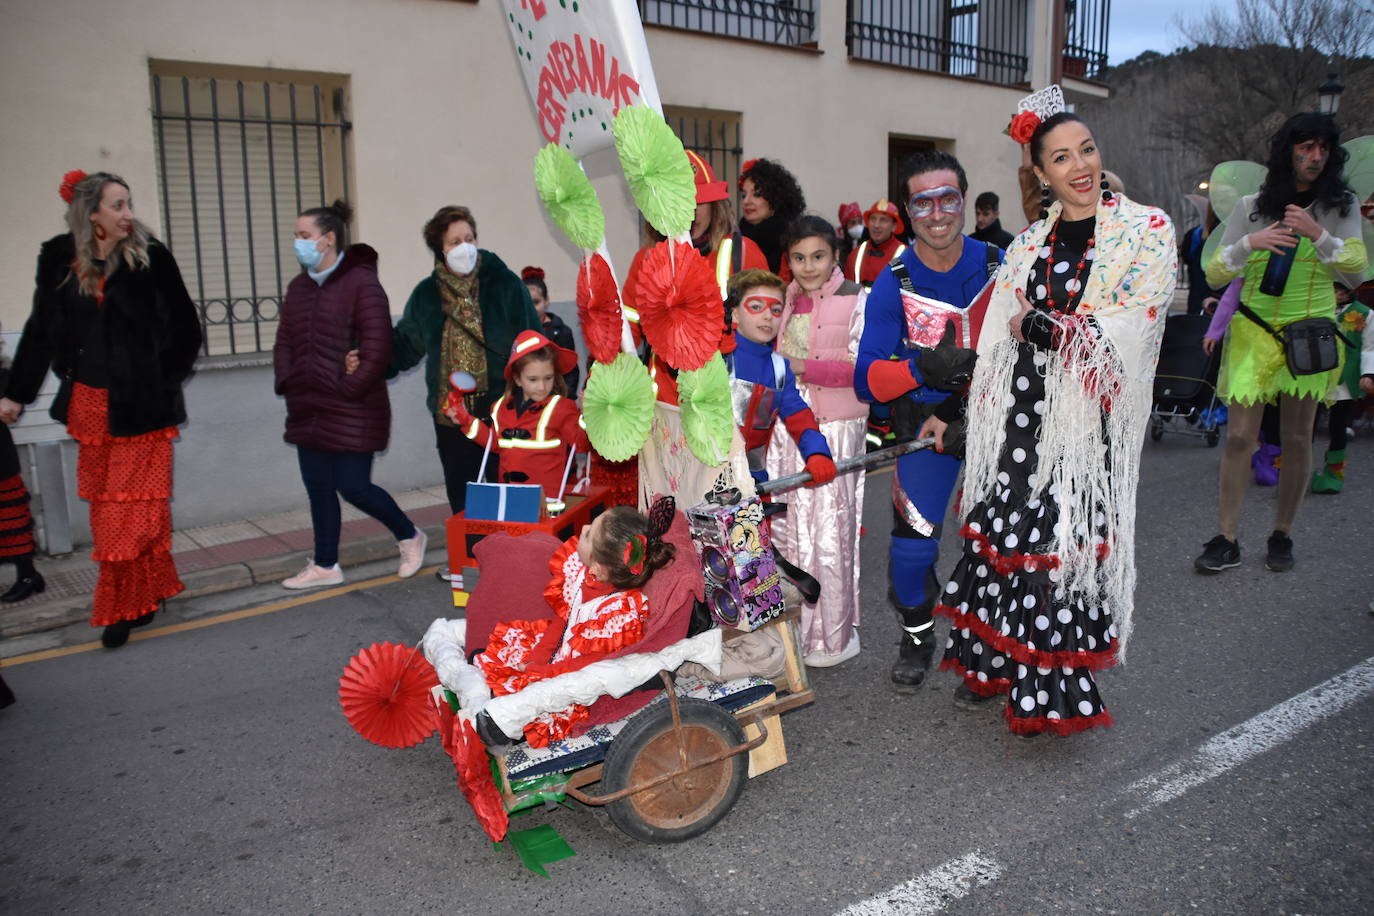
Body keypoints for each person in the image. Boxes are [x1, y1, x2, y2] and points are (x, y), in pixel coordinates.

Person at [929, 108, 1177, 736]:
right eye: (1061, 157)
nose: (1080, 166)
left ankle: (1049, 684)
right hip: (1019, 415)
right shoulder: (1029, 242)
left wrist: (1044, 327)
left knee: (1057, 547)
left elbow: (1138, 319)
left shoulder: (1146, 230)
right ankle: (995, 661)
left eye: (1086, 149)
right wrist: (958, 411)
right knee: (1010, 539)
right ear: (1040, 173)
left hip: (1085, 427)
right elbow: (995, 335)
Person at [1, 170, 201, 648]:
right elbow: (41, 329)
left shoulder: (151, 256)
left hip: (144, 409)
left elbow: (186, 329)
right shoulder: (58, 258)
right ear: (92, 213)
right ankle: (148, 594)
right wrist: (16, 393)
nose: (129, 214)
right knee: (119, 513)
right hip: (90, 406)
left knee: (128, 517)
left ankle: (123, 609)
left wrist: (160, 378)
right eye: (118, 205)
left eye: (129, 204)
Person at [854, 149, 1000, 692]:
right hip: (924, 436)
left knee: (997, 549)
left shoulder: (999, 264)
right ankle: (917, 633)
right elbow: (866, 378)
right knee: (911, 554)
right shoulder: (893, 279)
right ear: (908, 212)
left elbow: (1029, 358)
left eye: (948, 198)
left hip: (994, 423)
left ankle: (986, 649)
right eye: (923, 202)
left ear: (964, 200)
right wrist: (920, 367)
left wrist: (958, 405)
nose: (937, 212)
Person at [1197, 112, 1367, 573]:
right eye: (1305, 147)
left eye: (1322, 149)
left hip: (1307, 333)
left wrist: (1319, 236)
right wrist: (1248, 243)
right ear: (1287, 150)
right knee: (1237, 438)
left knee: (1296, 438)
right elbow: (1214, 272)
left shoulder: (1340, 206)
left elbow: (1356, 270)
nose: (1314, 157)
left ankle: (1282, 533)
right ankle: (1226, 537)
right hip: (1253, 331)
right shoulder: (1253, 206)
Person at [275, 200, 427, 590]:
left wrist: (347, 389)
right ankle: (326, 564)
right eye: (296, 236)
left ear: (327, 240)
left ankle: (410, 535)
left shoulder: (362, 284)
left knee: (353, 485)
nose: (297, 243)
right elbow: (285, 342)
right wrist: (287, 381)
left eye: (303, 236)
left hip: (353, 407)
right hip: (308, 406)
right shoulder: (299, 288)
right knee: (318, 488)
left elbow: (377, 349)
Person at [471, 498, 678, 748]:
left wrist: (544, 673)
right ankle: (500, 691)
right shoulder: (582, 575)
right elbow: (561, 622)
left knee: (536, 706)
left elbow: (588, 667)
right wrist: (536, 661)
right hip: (556, 658)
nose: (582, 529)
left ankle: (508, 718)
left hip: (573, 682)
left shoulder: (617, 612)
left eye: (589, 535)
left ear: (600, 570)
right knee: (504, 656)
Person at [388, 205, 540, 519]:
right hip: (453, 417)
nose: (465, 247)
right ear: (439, 250)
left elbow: (533, 342)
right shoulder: (427, 295)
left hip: (504, 411)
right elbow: (403, 348)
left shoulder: (504, 284)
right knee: (464, 496)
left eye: (469, 238)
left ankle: (513, 559)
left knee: (509, 492)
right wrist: (367, 355)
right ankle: (468, 560)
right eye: (455, 242)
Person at [766, 217, 868, 666]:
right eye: (799, 258)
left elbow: (863, 368)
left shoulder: (857, 298)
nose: (808, 267)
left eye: (818, 256)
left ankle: (831, 635)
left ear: (836, 256)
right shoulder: (784, 299)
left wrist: (803, 367)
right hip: (787, 425)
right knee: (786, 528)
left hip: (835, 426)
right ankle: (792, 633)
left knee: (830, 532)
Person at [444, 329, 587, 499]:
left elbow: (581, 444)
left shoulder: (561, 407)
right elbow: (495, 443)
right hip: (510, 497)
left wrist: (587, 415)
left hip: (547, 502)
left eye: (548, 378)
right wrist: (465, 420)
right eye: (533, 379)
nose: (542, 387)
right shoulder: (500, 407)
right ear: (518, 379)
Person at [726, 269, 836, 489]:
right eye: (756, 307)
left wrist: (817, 452)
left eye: (776, 310)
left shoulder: (779, 367)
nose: (768, 316)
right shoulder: (717, 356)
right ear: (735, 314)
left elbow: (799, 415)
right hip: (705, 479)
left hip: (753, 483)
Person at [1311, 281, 1373, 494]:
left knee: (1338, 428)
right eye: (1333, 290)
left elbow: (1369, 348)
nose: (1336, 294)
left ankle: (1332, 475)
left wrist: (1368, 374)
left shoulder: (1364, 313)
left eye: (1340, 291)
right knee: (1305, 427)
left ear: (1350, 291)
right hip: (1316, 375)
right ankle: (1298, 472)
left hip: (1345, 379)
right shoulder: (1317, 308)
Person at [0, 347, 43, 603]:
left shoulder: (4, 372)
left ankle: (28, 576)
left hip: (0, 461)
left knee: (10, 520)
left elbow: (11, 412)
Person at [738, 158, 807, 274]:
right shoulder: (736, 236)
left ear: (777, 198)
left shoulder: (794, 238)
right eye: (744, 195)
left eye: (757, 194)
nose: (746, 201)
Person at [521, 265, 579, 395]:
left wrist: (566, 398)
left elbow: (571, 371)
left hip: (555, 398)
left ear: (546, 301)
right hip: (526, 399)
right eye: (526, 303)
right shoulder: (518, 333)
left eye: (536, 302)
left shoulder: (562, 332)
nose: (531, 308)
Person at [844, 199, 909, 288]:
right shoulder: (856, 254)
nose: (876, 225)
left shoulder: (906, 255)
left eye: (883, 220)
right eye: (873, 219)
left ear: (894, 226)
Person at [1181, 205, 1224, 315]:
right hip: (1216, 294)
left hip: (1199, 291)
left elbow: (1186, 257)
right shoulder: (1232, 234)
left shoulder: (1196, 234)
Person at [837, 201, 863, 266]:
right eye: (853, 223)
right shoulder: (839, 248)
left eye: (860, 222)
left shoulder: (868, 244)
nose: (857, 226)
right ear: (845, 227)